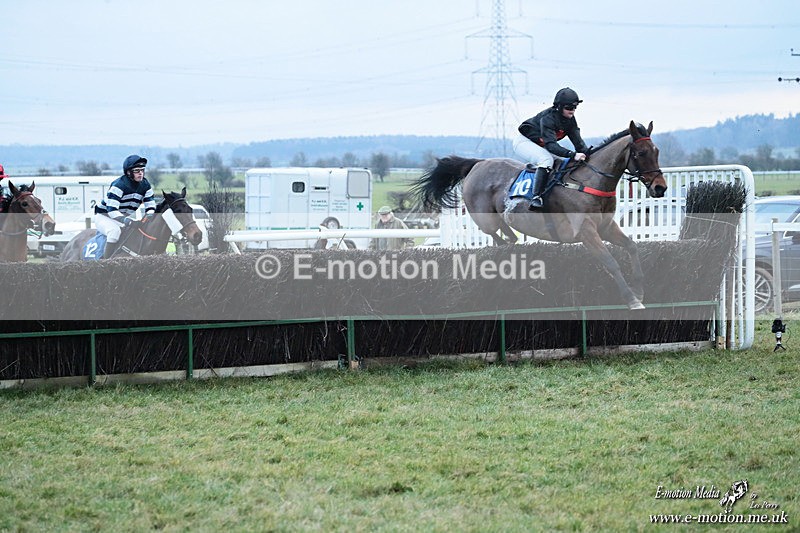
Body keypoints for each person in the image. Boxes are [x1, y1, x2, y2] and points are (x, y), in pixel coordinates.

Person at [513, 87, 590, 209]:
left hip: (541, 144)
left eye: (575, 107)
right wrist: (572, 154)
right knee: (546, 160)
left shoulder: (570, 120)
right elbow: (551, 146)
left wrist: (590, 154)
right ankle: (536, 197)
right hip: (524, 142)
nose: (572, 111)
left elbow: (579, 144)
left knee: (560, 162)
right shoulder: (548, 118)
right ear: (559, 107)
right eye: (569, 107)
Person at [94, 155, 156, 258]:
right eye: (137, 171)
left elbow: (150, 205)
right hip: (104, 216)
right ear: (128, 172)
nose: (141, 173)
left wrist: (149, 216)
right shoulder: (119, 185)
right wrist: (128, 221)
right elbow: (112, 211)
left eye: (142, 170)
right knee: (114, 232)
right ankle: (106, 262)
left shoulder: (145, 185)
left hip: (121, 218)